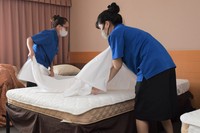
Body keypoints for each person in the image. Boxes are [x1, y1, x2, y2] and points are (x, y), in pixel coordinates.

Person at [95, 2, 178, 133]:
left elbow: (116, 65)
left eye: (100, 28)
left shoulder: (115, 34)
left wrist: (101, 83)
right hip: (167, 66)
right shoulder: (127, 31)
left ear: (107, 24)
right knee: (163, 111)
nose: (102, 32)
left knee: (140, 113)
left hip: (151, 69)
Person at [26, 15, 69, 87]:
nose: (67, 30)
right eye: (66, 28)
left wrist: (51, 69)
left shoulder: (56, 38)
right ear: (59, 27)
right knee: (33, 89)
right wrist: (31, 51)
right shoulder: (49, 34)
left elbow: (50, 56)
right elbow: (29, 39)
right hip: (36, 64)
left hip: (43, 67)